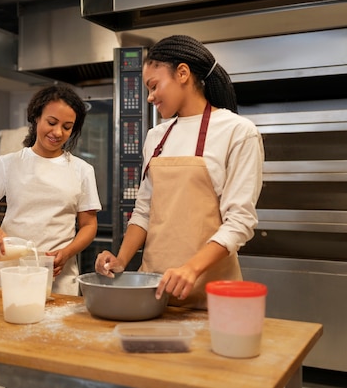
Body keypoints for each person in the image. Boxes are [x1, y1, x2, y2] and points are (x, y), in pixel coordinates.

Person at [95, 35, 264, 309]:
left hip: (211, 295)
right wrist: (121, 260)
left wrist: (190, 269)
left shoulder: (238, 132)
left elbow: (239, 223)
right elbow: (144, 211)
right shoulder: (156, 137)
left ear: (182, 73)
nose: (149, 97)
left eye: (154, 86)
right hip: (153, 290)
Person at [0, 84, 101, 295]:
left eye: (67, 127)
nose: (58, 132)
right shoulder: (9, 164)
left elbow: (89, 225)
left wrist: (67, 253)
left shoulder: (82, 170)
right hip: (10, 274)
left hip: (57, 277)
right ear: (35, 118)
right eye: (51, 122)